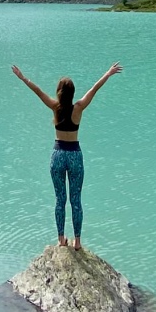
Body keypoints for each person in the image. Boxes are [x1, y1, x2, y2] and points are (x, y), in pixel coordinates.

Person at [11, 62, 122, 251]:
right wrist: (108, 73)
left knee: (60, 199)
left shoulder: (55, 107)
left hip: (58, 155)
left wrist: (23, 78)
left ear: (59, 92)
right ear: (72, 93)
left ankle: (61, 239)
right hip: (74, 156)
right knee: (76, 200)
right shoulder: (78, 108)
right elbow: (94, 89)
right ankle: (77, 242)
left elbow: (38, 92)